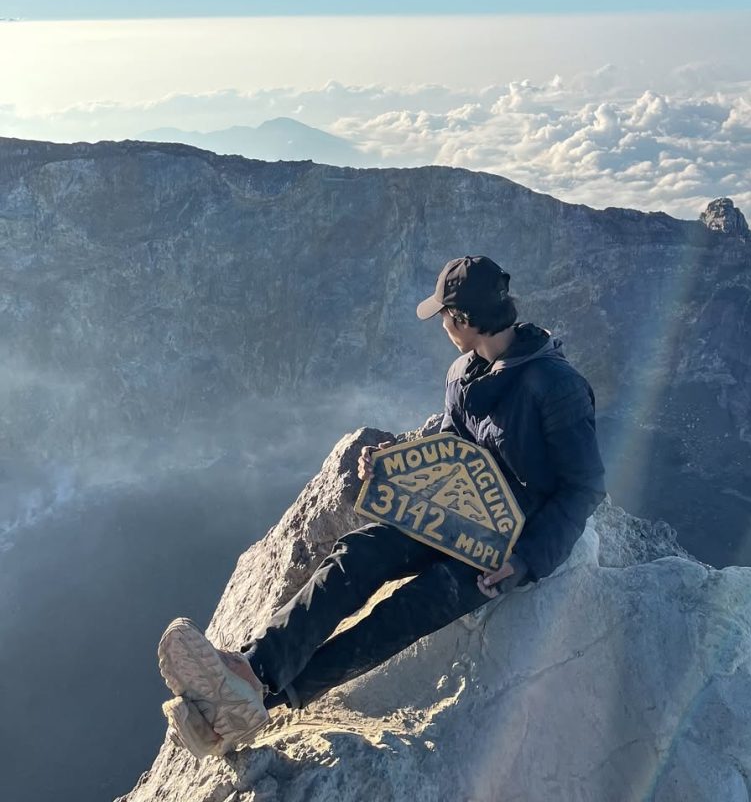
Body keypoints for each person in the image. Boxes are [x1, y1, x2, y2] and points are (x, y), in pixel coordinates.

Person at [158, 255, 606, 758]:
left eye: (443, 316)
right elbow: (454, 439)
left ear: (461, 320)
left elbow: (584, 488)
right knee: (359, 553)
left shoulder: (555, 387)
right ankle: (253, 670)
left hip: (510, 542)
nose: (440, 325)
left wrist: (526, 561)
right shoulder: (464, 372)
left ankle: (253, 704)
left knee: (407, 610)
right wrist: (395, 462)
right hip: (457, 512)